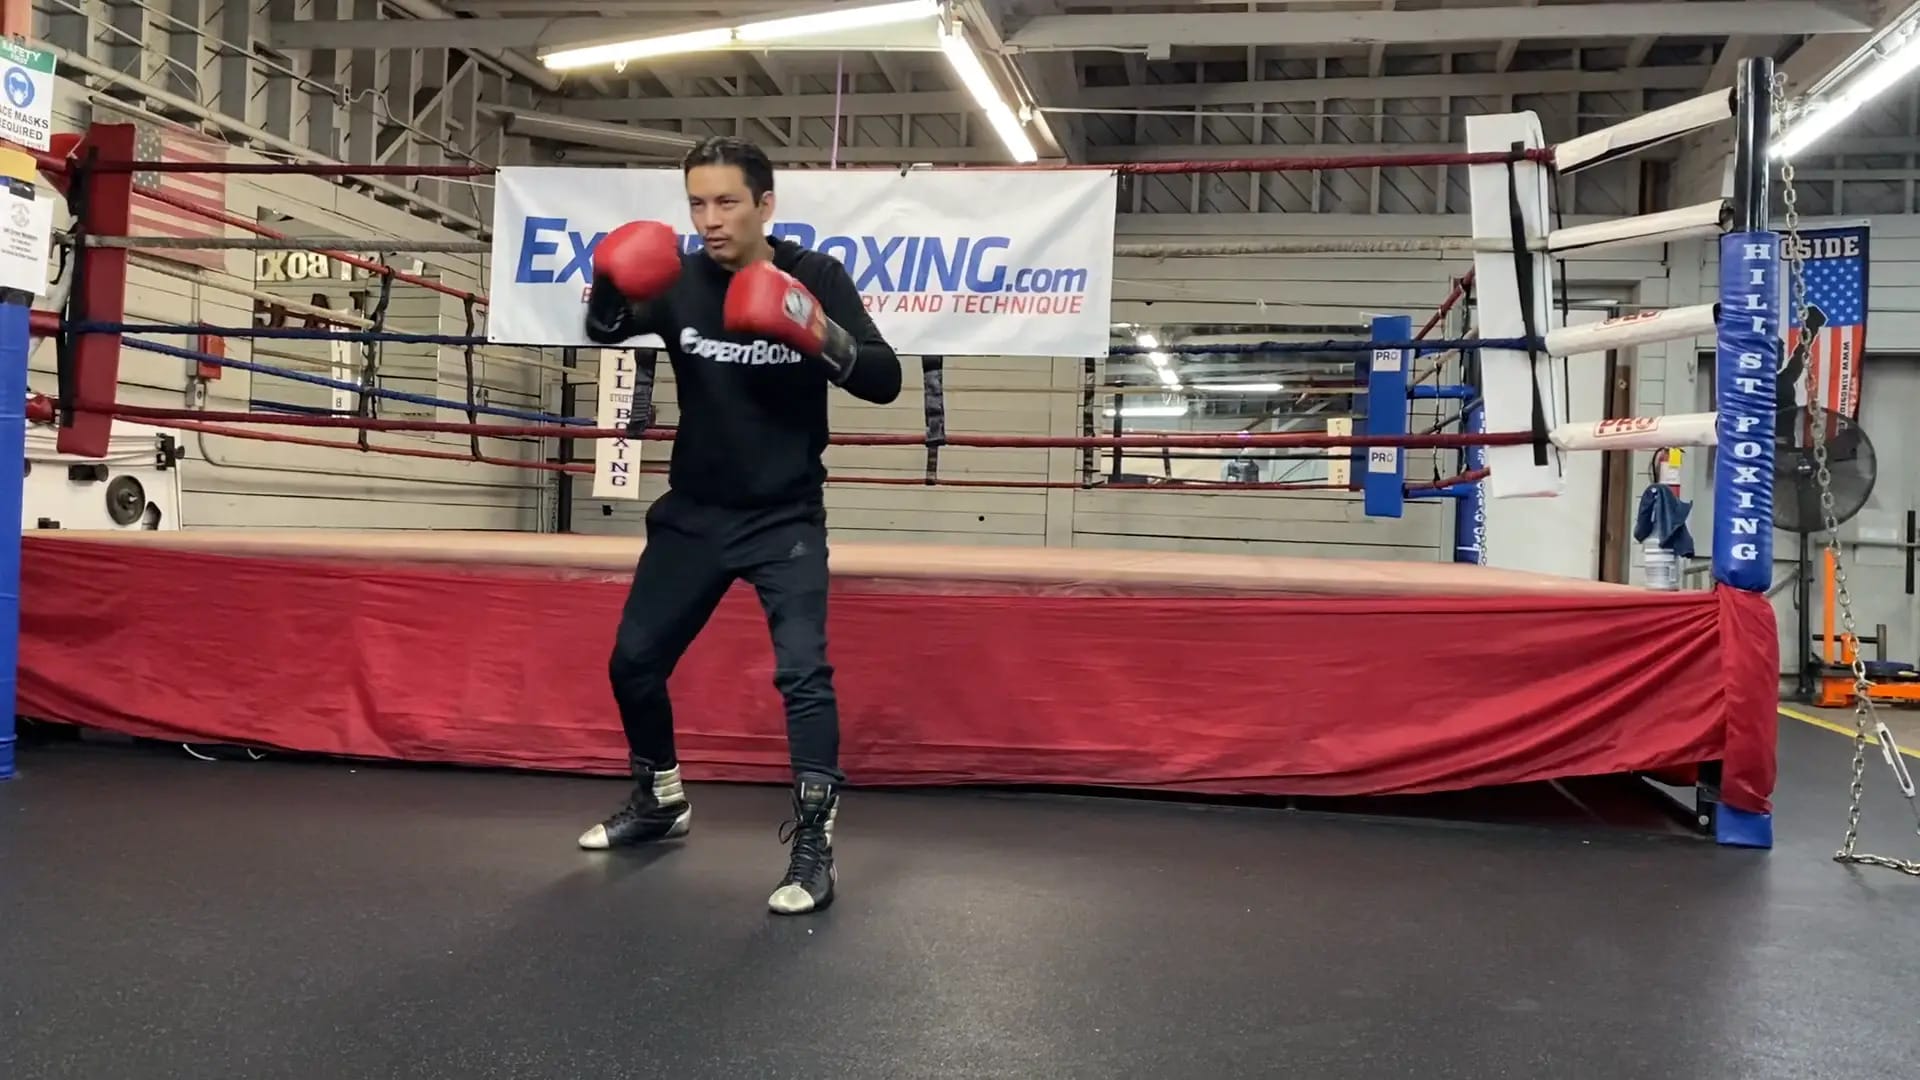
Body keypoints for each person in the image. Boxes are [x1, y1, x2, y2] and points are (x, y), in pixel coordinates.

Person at [579, 135, 902, 915]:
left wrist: (815, 329)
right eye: (697, 203)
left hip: (784, 515)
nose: (710, 219)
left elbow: (886, 380)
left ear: (765, 204)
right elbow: (606, 332)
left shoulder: (815, 276)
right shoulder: (680, 280)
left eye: (726, 202)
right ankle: (659, 799)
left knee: (802, 674)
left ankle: (814, 850)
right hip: (693, 514)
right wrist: (607, 284)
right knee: (633, 663)